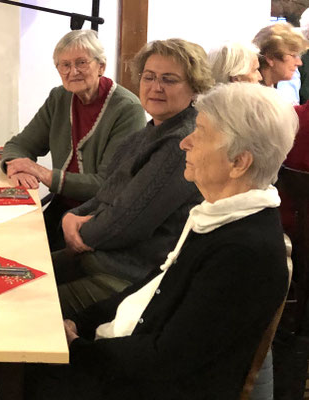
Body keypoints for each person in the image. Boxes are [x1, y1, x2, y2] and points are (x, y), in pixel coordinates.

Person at [0, 81, 295, 400]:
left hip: (152, 385)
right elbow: (151, 290)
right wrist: (80, 324)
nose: (185, 143)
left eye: (200, 133)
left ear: (239, 162)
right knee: (0, 369)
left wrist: (79, 349)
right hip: (133, 356)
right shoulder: (217, 214)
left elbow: (168, 359)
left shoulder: (243, 252)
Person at [54, 38, 209, 318]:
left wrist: (77, 233)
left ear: (195, 87)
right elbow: (105, 194)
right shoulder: (148, 133)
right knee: (15, 277)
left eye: (169, 79)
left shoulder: (181, 142)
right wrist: (71, 217)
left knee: (22, 307)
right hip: (99, 259)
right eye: (149, 77)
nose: (156, 87)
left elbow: (127, 222)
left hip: (131, 279)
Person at [1, 29, 145, 251]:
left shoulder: (127, 109)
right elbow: (19, 145)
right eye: (65, 65)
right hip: (61, 207)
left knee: (34, 260)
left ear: (101, 66)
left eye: (81, 63)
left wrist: (42, 173)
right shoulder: (59, 98)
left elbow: (107, 185)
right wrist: (17, 167)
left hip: (97, 217)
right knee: (8, 243)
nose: (73, 71)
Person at [253, 22, 309, 88]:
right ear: (270, 58)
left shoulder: (270, 89)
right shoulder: (253, 92)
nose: (299, 63)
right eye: (293, 56)